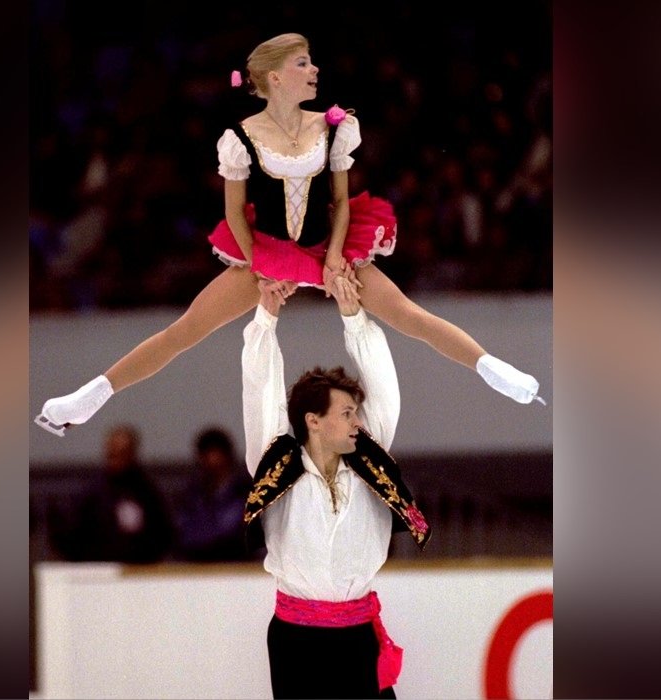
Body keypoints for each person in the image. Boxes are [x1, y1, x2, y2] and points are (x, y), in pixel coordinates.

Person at [35, 32, 542, 438]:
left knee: (410, 315)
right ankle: (90, 396)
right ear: (274, 77)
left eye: (312, 61)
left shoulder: (335, 126)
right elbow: (235, 213)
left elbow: (341, 200)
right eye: (303, 63)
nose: (314, 69)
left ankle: (495, 370)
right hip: (268, 249)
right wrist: (259, 264)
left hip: (331, 245)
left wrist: (336, 258)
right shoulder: (239, 138)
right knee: (185, 331)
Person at [242, 274, 426, 698]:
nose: (356, 422)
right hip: (295, 641)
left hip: (357, 636)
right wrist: (266, 319)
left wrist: (354, 317)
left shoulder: (369, 462)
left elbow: (386, 390)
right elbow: (260, 391)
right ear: (313, 420)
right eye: (345, 413)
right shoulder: (274, 464)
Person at [49, 424, 174, 563]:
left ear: (132, 453)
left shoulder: (148, 492)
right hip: (99, 569)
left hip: (139, 569)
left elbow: (163, 532)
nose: (116, 459)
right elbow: (73, 533)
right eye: (112, 453)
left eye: (123, 453)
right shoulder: (90, 492)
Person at [173, 427, 255, 562]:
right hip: (196, 564)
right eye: (206, 455)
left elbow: (239, 533)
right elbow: (184, 532)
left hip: (239, 564)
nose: (212, 460)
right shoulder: (191, 494)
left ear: (227, 456)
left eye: (216, 453)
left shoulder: (246, 492)